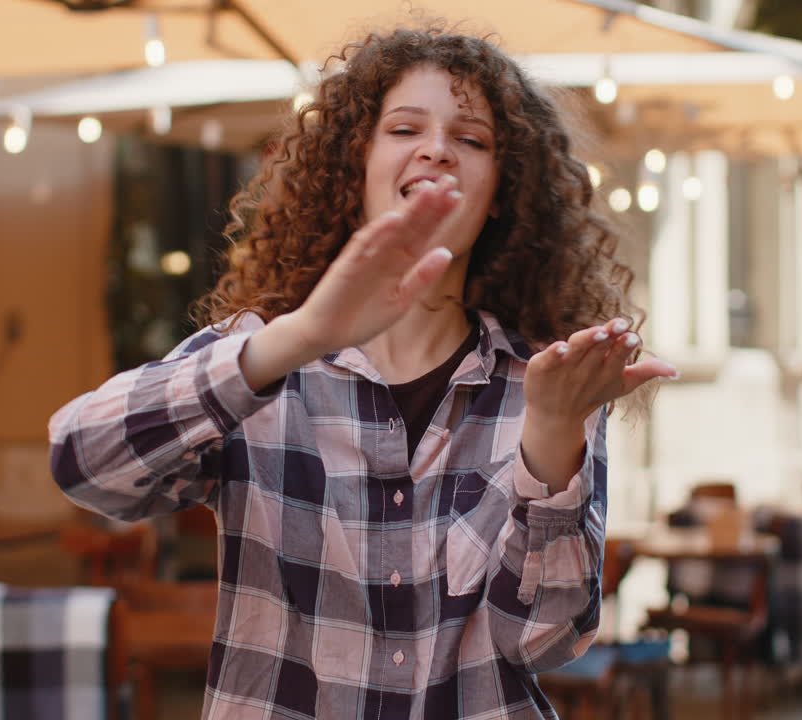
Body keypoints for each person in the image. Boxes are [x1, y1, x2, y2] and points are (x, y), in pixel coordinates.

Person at [49, 25, 677, 719]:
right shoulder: (265, 357)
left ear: (501, 190)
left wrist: (554, 429)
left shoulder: (546, 384)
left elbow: (545, 639)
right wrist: (299, 336)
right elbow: (83, 462)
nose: (437, 148)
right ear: (358, 164)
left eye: (471, 140)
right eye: (405, 128)